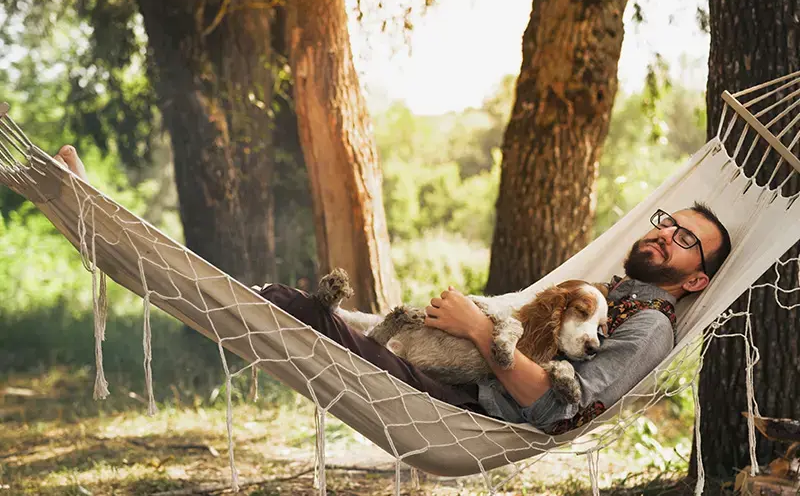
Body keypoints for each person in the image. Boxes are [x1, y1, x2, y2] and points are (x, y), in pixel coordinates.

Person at [53, 145, 731, 433]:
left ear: (697, 277)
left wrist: (474, 329)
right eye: (669, 221)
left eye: (684, 240)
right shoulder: (605, 291)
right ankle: (120, 238)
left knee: (295, 314)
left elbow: (557, 413)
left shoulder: (649, 326)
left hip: (466, 407)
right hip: (439, 368)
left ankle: (118, 241)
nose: (665, 234)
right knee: (304, 312)